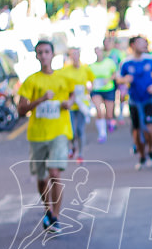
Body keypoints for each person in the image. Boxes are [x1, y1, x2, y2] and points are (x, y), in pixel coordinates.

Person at [17, 41, 74, 233]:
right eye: (40, 52)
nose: (43, 56)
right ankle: (48, 209)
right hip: (38, 135)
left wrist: (69, 103)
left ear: (53, 54)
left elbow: (75, 94)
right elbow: (21, 109)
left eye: (47, 52)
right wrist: (41, 99)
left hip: (59, 131)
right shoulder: (31, 81)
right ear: (36, 56)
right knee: (42, 179)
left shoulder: (63, 77)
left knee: (55, 173)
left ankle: (56, 217)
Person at [119, 36, 152, 169]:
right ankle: (142, 156)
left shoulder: (150, 59)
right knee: (137, 132)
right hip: (134, 101)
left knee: (149, 128)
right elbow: (118, 79)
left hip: (148, 99)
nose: (143, 45)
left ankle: (151, 151)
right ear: (132, 45)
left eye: (144, 43)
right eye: (140, 43)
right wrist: (125, 80)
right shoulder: (126, 62)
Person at [58, 47, 94, 162]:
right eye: (72, 54)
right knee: (72, 131)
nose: (75, 57)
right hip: (70, 104)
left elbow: (92, 80)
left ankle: (81, 154)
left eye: (76, 54)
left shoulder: (85, 69)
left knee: (80, 130)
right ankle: (73, 147)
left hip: (82, 104)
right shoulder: (65, 70)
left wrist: (89, 90)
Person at [89, 45, 118, 142]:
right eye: (96, 52)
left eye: (99, 51)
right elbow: (89, 79)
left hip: (108, 89)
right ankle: (102, 133)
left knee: (109, 114)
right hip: (96, 90)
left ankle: (110, 122)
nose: (98, 54)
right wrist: (90, 85)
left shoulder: (109, 63)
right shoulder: (91, 66)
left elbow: (115, 73)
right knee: (99, 110)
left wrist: (109, 79)